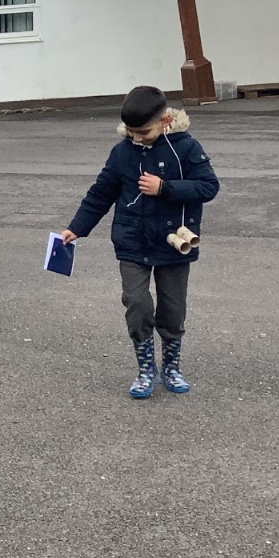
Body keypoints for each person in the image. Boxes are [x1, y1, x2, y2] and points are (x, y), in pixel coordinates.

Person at [61, 85, 219, 398]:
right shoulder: (122, 152)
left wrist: (166, 188)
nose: (136, 138)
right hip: (132, 241)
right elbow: (100, 194)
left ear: (165, 120)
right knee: (137, 303)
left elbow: (208, 187)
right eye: (131, 132)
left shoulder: (186, 147)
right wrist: (76, 228)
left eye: (143, 132)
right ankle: (146, 368)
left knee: (173, 309)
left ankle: (171, 366)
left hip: (175, 241)